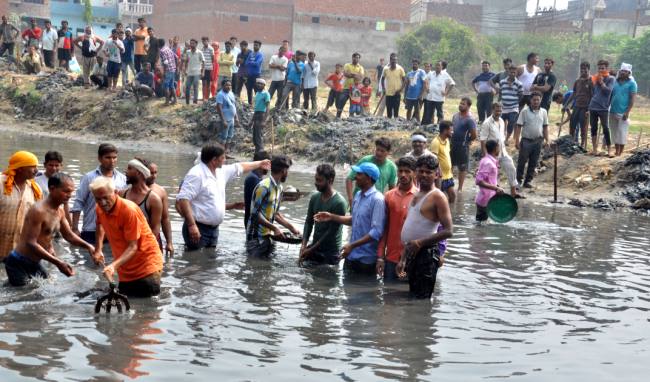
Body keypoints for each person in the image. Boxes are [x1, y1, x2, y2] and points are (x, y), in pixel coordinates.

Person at [4, 173, 95, 287]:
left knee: (47, 286)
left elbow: (69, 236)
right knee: (24, 297)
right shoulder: (38, 211)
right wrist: (58, 262)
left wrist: (89, 246)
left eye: (71, 192)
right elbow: (31, 243)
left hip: (35, 261)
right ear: (52, 189)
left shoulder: (60, 212)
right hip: (18, 261)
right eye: (66, 191)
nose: (69, 195)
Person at [176, 144, 270, 251]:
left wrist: (260, 163)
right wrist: (192, 225)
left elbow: (240, 167)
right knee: (195, 263)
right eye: (223, 158)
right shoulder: (196, 174)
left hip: (214, 230)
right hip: (198, 228)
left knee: (210, 263)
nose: (225, 160)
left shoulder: (220, 171)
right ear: (214, 160)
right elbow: (183, 199)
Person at [90, 177, 163, 298]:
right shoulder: (99, 209)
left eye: (105, 198)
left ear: (115, 192)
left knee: (147, 310)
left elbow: (133, 247)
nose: (102, 203)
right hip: (125, 268)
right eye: (98, 199)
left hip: (147, 266)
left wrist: (113, 266)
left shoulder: (129, 210)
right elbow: (100, 225)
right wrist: (98, 249)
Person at [396, 155, 453, 299]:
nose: (424, 175)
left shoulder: (438, 197)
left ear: (436, 174)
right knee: (413, 296)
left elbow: (448, 230)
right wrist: (402, 259)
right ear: (415, 172)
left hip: (426, 255)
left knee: (422, 300)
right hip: (412, 252)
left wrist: (420, 243)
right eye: (421, 171)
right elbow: (411, 228)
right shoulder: (417, 194)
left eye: (429, 172)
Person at [315, 162, 385, 275]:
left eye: (359, 174)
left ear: (369, 178)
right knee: (348, 291)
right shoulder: (358, 195)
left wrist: (352, 245)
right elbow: (354, 220)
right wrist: (332, 217)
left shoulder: (378, 200)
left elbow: (376, 232)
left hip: (366, 260)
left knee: (363, 291)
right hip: (351, 255)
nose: (355, 177)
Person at [71, 144, 126, 244]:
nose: (112, 161)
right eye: (108, 157)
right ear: (99, 158)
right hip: (91, 229)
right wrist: (74, 228)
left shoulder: (122, 179)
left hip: (115, 230)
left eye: (114, 157)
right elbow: (78, 202)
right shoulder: (89, 178)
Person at [246, 155, 300, 257]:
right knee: (255, 268)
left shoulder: (279, 187)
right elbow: (255, 214)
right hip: (256, 238)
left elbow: (275, 214)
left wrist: (291, 227)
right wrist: (275, 228)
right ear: (283, 170)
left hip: (269, 235)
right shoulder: (263, 187)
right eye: (287, 171)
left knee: (267, 268)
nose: (288, 174)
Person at [377, 157, 418, 280]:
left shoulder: (420, 197)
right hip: (391, 258)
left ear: (414, 173)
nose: (403, 175)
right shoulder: (389, 196)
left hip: (412, 259)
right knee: (388, 295)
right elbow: (384, 228)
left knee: (409, 295)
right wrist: (380, 256)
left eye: (407, 171)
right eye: (400, 171)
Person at [299, 164, 348, 266]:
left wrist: (311, 249)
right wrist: (304, 245)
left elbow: (331, 232)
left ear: (330, 181)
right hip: (315, 247)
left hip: (331, 252)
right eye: (316, 179)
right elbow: (309, 221)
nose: (316, 183)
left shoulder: (339, 202)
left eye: (320, 180)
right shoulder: (314, 197)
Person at [0, 151, 43, 260]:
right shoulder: (1, 184)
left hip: (19, 251)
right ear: (20, 168)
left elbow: (37, 220)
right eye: (32, 167)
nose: (36, 170)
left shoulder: (35, 189)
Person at [480, 103, 522, 198]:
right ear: (492, 110)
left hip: (502, 151)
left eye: (500, 110)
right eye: (496, 110)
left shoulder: (502, 121)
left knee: (511, 167)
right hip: (491, 153)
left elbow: (501, 137)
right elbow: (483, 140)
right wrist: (486, 156)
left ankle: (513, 191)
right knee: (493, 173)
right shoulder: (487, 123)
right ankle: (491, 194)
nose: (498, 112)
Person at [120, 158, 163, 245]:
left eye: (129, 168)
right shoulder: (122, 194)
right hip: (126, 245)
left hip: (147, 247)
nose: (125, 171)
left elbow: (155, 229)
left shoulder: (153, 199)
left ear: (139, 172)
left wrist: (141, 249)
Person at [345, 137, 397, 207]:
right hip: (358, 200)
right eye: (377, 149)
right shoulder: (365, 160)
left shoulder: (391, 167)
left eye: (382, 151)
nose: (378, 153)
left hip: (375, 202)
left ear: (388, 152)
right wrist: (351, 200)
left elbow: (392, 189)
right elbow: (349, 178)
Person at [514, 92, 549, 189]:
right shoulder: (524, 111)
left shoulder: (544, 112)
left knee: (533, 162)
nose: (536, 102)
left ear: (541, 100)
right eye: (534, 100)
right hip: (526, 141)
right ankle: (518, 181)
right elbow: (519, 126)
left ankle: (528, 181)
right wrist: (517, 141)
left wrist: (547, 140)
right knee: (522, 162)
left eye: (538, 100)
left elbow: (545, 127)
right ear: (530, 100)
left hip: (538, 141)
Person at [450, 97, 477, 193]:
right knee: (450, 165)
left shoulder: (470, 119)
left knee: (462, 167)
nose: (460, 105)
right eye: (460, 103)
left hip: (462, 146)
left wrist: (466, 141)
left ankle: (460, 188)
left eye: (463, 104)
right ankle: (449, 185)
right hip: (452, 144)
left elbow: (474, 135)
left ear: (468, 106)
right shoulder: (455, 116)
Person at [589, 59, 615, 157]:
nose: (601, 70)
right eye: (599, 68)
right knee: (593, 128)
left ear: (607, 69)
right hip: (593, 106)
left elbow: (608, 91)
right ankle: (595, 149)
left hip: (603, 108)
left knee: (605, 128)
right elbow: (593, 92)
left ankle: (609, 150)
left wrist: (602, 83)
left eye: (603, 68)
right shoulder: (595, 78)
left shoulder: (611, 79)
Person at [610, 63, 637, 157]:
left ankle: (620, 152)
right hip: (612, 110)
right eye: (622, 71)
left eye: (625, 71)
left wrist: (627, 112)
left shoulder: (632, 84)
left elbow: (632, 99)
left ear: (629, 73)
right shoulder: (615, 82)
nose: (623, 72)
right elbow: (610, 95)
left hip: (623, 112)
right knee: (614, 132)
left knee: (622, 132)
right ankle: (616, 150)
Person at [475, 140, 505, 223]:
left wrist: (497, 187)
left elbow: (488, 179)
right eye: (498, 147)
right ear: (495, 149)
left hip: (488, 198)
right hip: (485, 199)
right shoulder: (488, 163)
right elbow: (479, 181)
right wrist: (495, 188)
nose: (499, 150)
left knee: (481, 225)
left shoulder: (487, 160)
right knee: (481, 227)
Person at [566, 61, 593, 148]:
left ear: (589, 70)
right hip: (576, 106)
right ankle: (571, 142)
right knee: (572, 124)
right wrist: (566, 104)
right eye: (582, 69)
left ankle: (582, 144)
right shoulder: (577, 81)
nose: (583, 71)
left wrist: (589, 109)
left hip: (585, 107)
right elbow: (574, 93)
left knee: (583, 126)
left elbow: (593, 95)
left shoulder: (591, 81)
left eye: (585, 69)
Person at [422, 61, 455, 125]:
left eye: (439, 65)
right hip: (430, 97)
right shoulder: (431, 73)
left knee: (439, 114)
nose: (437, 67)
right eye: (436, 65)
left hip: (439, 98)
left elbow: (452, 83)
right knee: (429, 113)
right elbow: (425, 79)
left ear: (442, 67)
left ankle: (440, 127)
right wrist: (426, 88)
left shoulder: (445, 75)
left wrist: (446, 92)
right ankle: (429, 126)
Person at [243, 151, 271, 228]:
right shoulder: (253, 179)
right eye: (268, 164)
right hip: (254, 222)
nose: (269, 167)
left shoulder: (258, 177)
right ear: (262, 164)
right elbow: (260, 201)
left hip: (256, 220)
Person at [497, 65, 523, 145]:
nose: (512, 74)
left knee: (511, 123)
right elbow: (501, 92)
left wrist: (515, 102)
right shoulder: (502, 82)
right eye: (511, 72)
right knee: (500, 123)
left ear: (516, 73)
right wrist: (500, 101)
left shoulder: (519, 84)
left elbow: (521, 95)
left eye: (514, 72)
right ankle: (500, 137)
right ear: (508, 72)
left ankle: (507, 139)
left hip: (513, 107)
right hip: (503, 107)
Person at [431, 120, 456, 203]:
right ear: (445, 131)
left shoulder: (447, 141)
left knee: (452, 196)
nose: (453, 132)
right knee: (439, 199)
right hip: (440, 176)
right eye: (451, 130)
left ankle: (449, 213)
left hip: (448, 175)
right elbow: (434, 159)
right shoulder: (436, 142)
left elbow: (447, 156)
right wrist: (438, 173)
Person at [338, 53, 365, 118]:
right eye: (355, 57)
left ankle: (351, 118)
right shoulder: (347, 65)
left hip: (355, 89)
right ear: (352, 57)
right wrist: (355, 75)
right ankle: (337, 116)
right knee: (342, 101)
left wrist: (351, 74)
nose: (356, 59)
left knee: (353, 104)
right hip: (346, 88)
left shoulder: (360, 67)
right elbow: (346, 74)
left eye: (358, 58)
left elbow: (360, 77)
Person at [216, 79, 238, 154]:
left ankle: (226, 151)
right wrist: (223, 120)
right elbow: (219, 108)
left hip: (232, 119)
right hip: (226, 118)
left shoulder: (231, 93)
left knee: (230, 135)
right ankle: (222, 153)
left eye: (230, 85)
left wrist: (236, 117)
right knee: (224, 136)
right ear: (222, 86)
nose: (229, 87)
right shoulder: (220, 95)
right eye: (226, 85)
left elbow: (234, 106)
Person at [381, 53, 406, 119]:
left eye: (395, 60)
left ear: (396, 61)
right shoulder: (386, 69)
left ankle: (395, 126)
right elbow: (382, 79)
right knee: (389, 111)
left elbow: (404, 81)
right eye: (393, 60)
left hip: (397, 93)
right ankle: (389, 126)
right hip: (388, 93)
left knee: (396, 111)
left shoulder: (400, 68)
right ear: (390, 60)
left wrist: (400, 90)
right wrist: (383, 89)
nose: (394, 61)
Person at [183, 39, 204, 105]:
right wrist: (185, 70)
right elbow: (186, 61)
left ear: (196, 44)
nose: (192, 45)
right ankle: (187, 103)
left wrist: (203, 71)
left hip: (197, 73)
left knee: (195, 87)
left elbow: (203, 62)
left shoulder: (199, 52)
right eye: (191, 43)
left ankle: (195, 102)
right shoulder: (188, 52)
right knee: (187, 87)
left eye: (193, 43)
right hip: (189, 72)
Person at [252, 78, 270, 153]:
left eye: (261, 84)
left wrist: (264, 120)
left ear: (264, 85)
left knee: (259, 135)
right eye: (258, 83)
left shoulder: (266, 94)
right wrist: (251, 120)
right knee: (255, 135)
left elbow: (268, 107)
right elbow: (256, 109)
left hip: (262, 115)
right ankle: (257, 151)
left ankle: (260, 151)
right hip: (256, 114)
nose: (259, 85)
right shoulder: (257, 94)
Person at [159, 38, 178, 105]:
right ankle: (175, 100)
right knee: (172, 86)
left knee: (166, 86)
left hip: (168, 70)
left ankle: (167, 102)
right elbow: (176, 57)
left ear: (159, 44)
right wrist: (176, 67)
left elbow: (165, 62)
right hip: (173, 69)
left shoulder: (162, 51)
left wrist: (164, 72)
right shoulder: (168, 48)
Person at [245, 40, 264, 105]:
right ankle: (250, 104)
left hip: (256, 76)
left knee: (257, 91)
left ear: (259, 46)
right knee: (249, 90)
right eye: (254, 45)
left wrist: (251, 62)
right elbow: (246, 63)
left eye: (256, 45)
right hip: (249, 75)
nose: (255, 46)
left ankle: (257, 104)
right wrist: (252, 62)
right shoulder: (251, 54)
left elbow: (257, 64)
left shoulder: (260, 55)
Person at [200, 36, 215, 102]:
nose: (204, 42)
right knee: (203, 84)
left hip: (209, 69)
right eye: (203, 41)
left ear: (208, 41)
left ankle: (207, 98)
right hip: (203, 69)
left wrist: (209, 65)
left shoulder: (211, 49)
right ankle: (203, 98)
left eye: (206, 41)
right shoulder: (202, 49)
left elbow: (213, 59)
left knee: (208, 84)